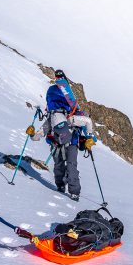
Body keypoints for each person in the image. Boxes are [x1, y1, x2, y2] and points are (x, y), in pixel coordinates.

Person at [41, 69, 96, 201]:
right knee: (60, 166)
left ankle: (74, 191)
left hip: (71, 142)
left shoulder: (70, 118)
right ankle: (61, 186)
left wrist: (90, 139)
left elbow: (87, 122)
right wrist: (32, 135)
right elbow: (41, 132)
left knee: (70, 166)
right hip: (58, 142)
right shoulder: (54, 117)